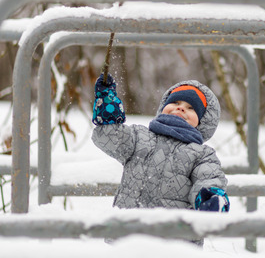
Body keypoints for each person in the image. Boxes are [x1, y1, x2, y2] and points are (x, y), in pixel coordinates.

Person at [91, 74, 230, 242]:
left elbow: (208, 177)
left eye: (191, 108)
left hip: (175, 243)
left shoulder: (201, 154)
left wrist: (210, 198)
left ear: (202, 121)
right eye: (175, 103)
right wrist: (107, 103)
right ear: (163, 106)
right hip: (127, 236)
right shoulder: (139, 137)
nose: (180, 108)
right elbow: (108, 135)